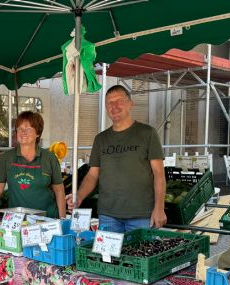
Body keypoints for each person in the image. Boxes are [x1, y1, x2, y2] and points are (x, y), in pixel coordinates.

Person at [67, 85, 166, 233]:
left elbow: (159, 174)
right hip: (108, 216)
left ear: (130, 103)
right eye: (109, 103)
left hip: (142, 215)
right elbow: (93, 175)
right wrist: (79, 196)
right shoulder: (101, 139)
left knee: (139, 255)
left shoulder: (147, 133)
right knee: (108, 257)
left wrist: (159, 208)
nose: (114, 106)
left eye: (119, 101)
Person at [0, 111, 66, 218]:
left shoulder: (50, 158)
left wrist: (63, 219)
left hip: (47, 220)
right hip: (17, 220)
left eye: (28, 129)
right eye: (20, 129)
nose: (23, 132)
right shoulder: (7, 157)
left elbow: (59, 190)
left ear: (38, 133)